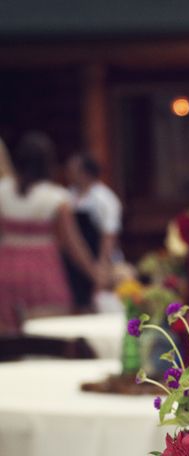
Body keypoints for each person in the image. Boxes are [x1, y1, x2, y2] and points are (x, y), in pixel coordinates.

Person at [0, 132, 100, 331]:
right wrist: (95, 273)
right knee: (46, 329)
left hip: (6, 264)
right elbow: (73, 245)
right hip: (42, 267)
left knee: (7, 331)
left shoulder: (3, 191)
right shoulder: (56, 198)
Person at [65, 152, 123, 311]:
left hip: (98, 255)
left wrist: (101, 266)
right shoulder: (69, 195)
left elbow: (109, 234)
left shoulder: (104, 198)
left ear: (85, 173)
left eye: (73, 170)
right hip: (75, 259)